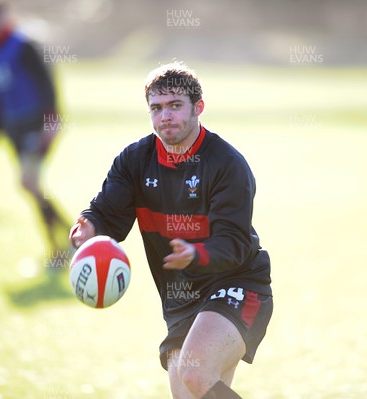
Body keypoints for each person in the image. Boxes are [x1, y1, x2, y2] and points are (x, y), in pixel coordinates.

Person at [70, 62, 273, 398]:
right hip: (181, 298)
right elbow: (107, 213)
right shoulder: (134, 161)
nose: (165, 116)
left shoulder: (227, 164)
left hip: (238, 285)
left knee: (194, 371)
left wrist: (196, 253)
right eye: (156, 108)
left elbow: (234, 242)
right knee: (189, 391)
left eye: (175, 106)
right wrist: (90, 227)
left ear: (198, 108)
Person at [0, 0, 69, 259]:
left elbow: (47, 82)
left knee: (28, 182)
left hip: (36, 124)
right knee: (32, 187)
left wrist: (52, 120)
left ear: (4, 16)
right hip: (13, 129)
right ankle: (70, 235)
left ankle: (60, 246)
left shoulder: (23, 45)